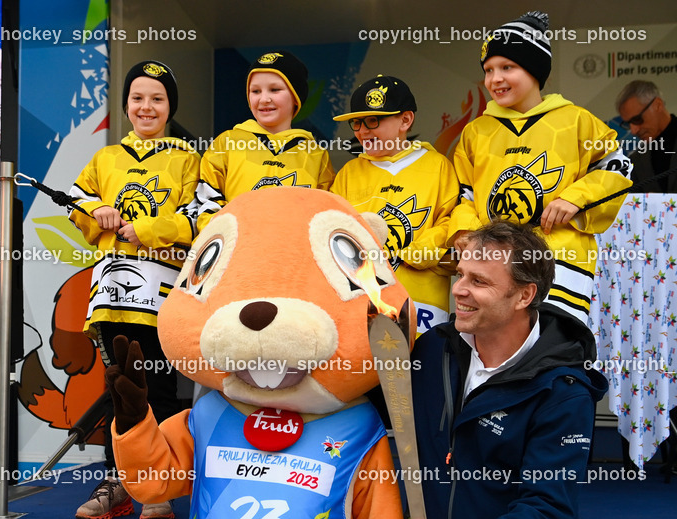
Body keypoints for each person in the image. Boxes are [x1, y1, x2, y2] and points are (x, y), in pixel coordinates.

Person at [406, 221, 607, 519]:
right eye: (460, 275)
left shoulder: (564, 388)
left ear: (523, 295)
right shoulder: (433, 352)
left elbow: (547, 510)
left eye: (479, 281)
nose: (459, 290)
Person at [67, 60, 199, 519]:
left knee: (160, 389)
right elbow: (76, 205)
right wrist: (97, 209)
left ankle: (155, 485)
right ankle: (118, 481)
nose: (147, 107)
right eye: (138, 98)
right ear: (125, 105)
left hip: (162, 299)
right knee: (116, 390)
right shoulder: (106, 159)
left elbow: (200, 220)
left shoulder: (186, 158)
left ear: (170, 107)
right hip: (111, 298)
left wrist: (147, 228)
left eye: (157, 99)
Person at [450, 11, 632, 321]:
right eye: (489, 69)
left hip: (561, 258)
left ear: (535, 70)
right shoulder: (476, 132)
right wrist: (465, 231)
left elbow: (617, 166)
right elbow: (463, 194)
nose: (495, 79)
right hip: (493, 260)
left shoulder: (575, 120)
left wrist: (576, 198)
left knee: (554, 345)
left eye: (508, 67)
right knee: (492, 348)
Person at [332, 75, 458, 335]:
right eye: (356, 123)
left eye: (373, 121)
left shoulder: (437, 166)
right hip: (361, 304)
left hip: (424, 306)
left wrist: (421, 251)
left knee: (425, 371)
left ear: (405, 120)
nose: (363, 131)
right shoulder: (348, 172)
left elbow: (452, 223)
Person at [196, 51, 335, 232]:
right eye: (255, 91)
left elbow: (327, 216)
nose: (264, 99)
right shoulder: (227, 143)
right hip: (237, 255)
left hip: (293, 257)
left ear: (295, 96)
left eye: (275, 89)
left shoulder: (316, 155)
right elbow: (206, 204)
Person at [615, 80, 677, 193]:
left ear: (658, 105)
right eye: (628, 124)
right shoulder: (636, 161)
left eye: (637, 119)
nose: (634, 130)